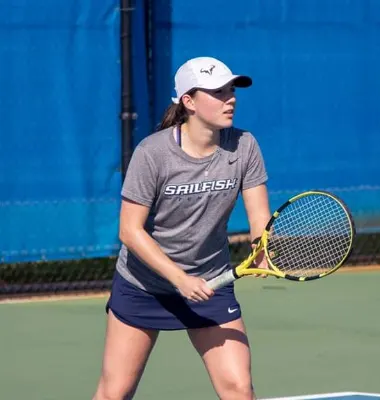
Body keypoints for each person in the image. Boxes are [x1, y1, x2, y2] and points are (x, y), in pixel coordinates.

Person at [93, 56, 271, 400]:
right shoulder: (153, 154)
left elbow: (258, 214)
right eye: (218, 92)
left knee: (238, 388)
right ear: (188, 101)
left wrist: (261, 248)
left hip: (211, 282)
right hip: (144, 285)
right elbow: (130, 231)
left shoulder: (244, 145)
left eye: (231, 90)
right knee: (115, 392)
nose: (230, 98)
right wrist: (179, 279)